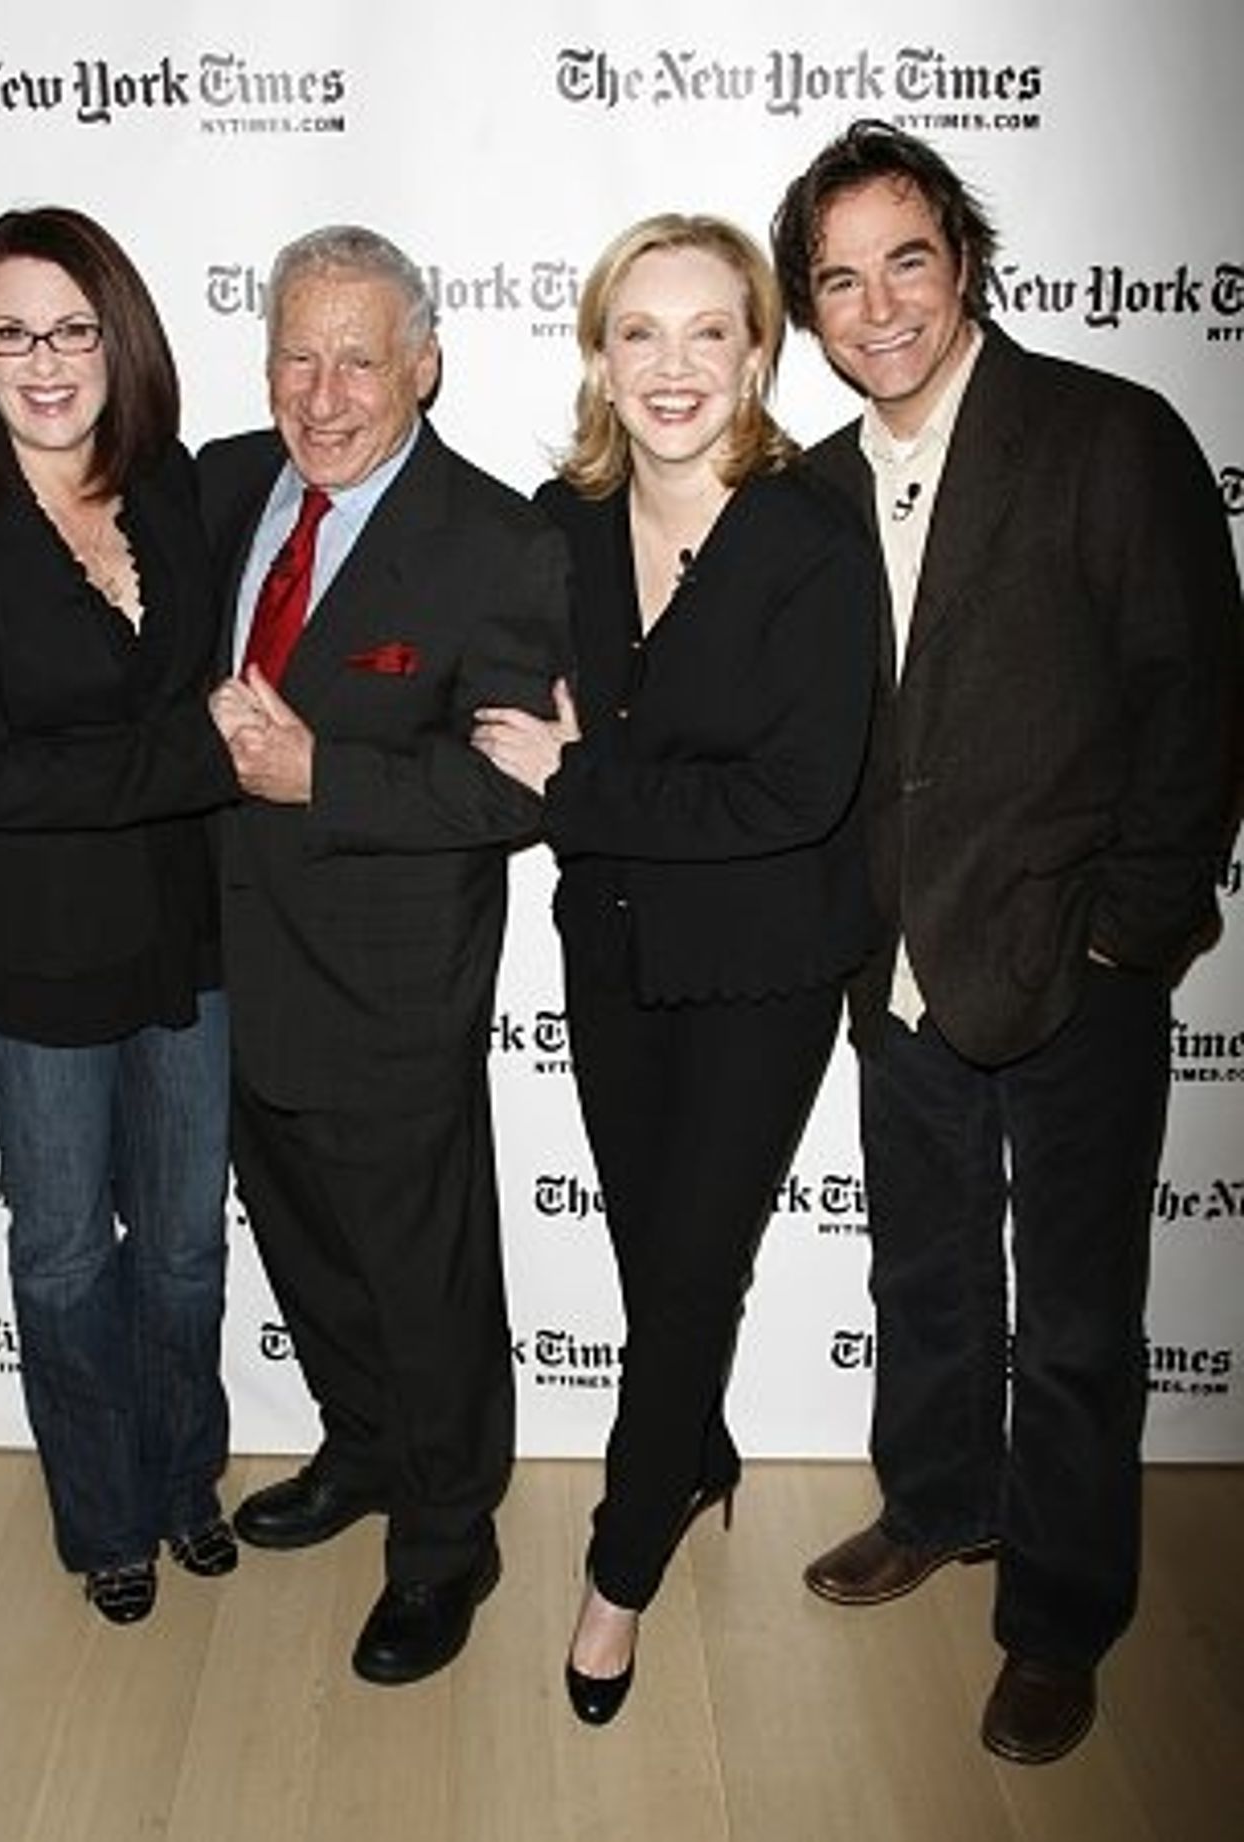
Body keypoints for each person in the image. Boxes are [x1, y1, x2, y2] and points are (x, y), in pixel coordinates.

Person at [771, 120, 1243, 1764]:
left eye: (906, 260)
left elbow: (1198, 698)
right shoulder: (816, 490)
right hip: (896, 969)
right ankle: (936, 1499)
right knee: (925, 1268)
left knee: (1082, 1318)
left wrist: (1129, 937)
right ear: (810, 310)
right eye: (841, 280)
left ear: (963, 260)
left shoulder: (1107, 435)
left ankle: (1058, 1615)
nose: (879, 306)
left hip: (1075, 967)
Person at [470, 214, 880, 1724]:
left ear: (759, 355)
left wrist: (590, 781)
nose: (674, 366)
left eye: (712, 331)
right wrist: (576, 775)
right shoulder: (558, 526)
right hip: (615, 950)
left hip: (763, 968)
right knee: (658, 1255)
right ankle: (695, 1449)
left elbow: (795, 797)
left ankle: (620, 1567)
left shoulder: (809, 538)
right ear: (597, 356)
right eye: (640, 331)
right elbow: (507, 725)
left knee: (694, 1266)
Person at [200, 225, 570, 1686]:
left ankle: (446, 1538)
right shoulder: (225, 484)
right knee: (305, 1251)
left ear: (425, 364)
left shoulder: (497, 540)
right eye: (297, 355)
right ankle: (361, 1449)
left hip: (394, 995)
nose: (324, 394)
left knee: (425, 1283)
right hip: (234, 972)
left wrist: (327, 780)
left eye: (359, 359)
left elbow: (513, 789)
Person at [0, 207, 243, 1625]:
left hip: (183, 932)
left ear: (118, 340)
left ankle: (186, 1477)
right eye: (11, 333)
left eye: (72, 329)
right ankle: (105, 1516)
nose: (44, 361)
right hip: (28, 951)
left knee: (187, 1244)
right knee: (65, 1250)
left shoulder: (175, 491)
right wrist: (197, 751)